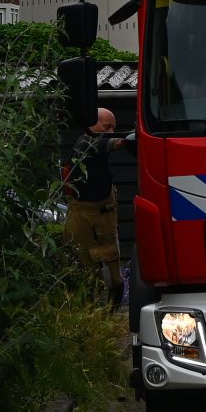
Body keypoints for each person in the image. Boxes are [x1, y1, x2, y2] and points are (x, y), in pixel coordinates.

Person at [63, 109, 123, 305]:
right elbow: (99, 145)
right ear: (92, 124)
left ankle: (110, 308)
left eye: (114, 127)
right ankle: (91, 309)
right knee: (84, 263)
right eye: (107, 127)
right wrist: (120, 141)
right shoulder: (84, 144)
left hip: (104, 213)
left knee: (112, 266)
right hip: (82, 215)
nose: (111, 131)